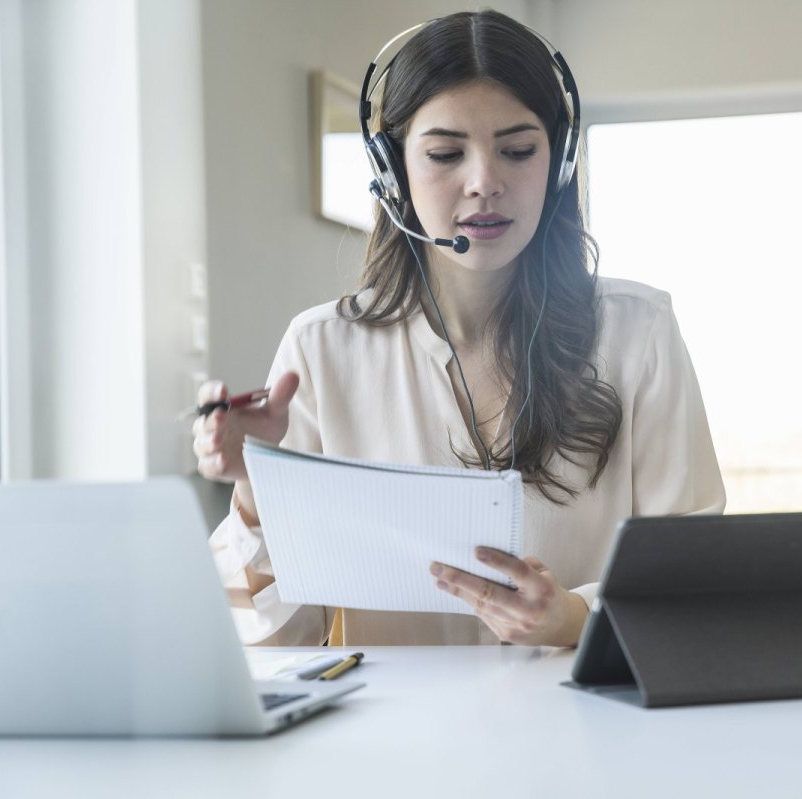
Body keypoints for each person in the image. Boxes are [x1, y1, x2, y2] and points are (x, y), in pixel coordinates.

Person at [193, 10, 725, 648]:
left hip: (586, 735)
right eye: (446, 153)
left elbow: (693, 583)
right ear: (392, 172)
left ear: (558, 163)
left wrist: (572, 620)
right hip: (390, 743)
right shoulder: (320, 350)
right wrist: (258, 490)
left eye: (519, 150)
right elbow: (265, 642)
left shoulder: (639, 334)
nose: (485, 183)